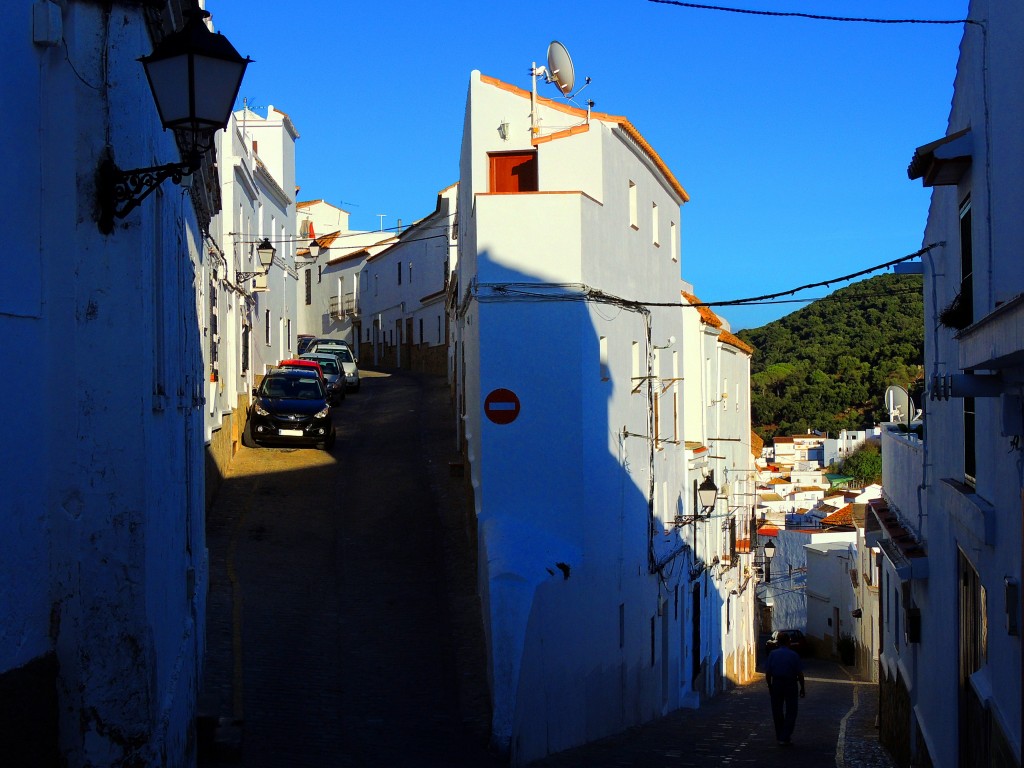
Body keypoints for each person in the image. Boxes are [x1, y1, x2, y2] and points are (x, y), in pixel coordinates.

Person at [765, 633, 806, 745]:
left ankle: (780, 735)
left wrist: (770, 686)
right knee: (791, 711)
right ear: (788, 641)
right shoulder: (793, 655)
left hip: (777, 683)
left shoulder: (773, 654)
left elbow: (768, 673)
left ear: (778, 642)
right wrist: (802, 688)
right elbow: (800, 674)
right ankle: (785, 735)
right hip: (791, 684)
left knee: (777, 710)